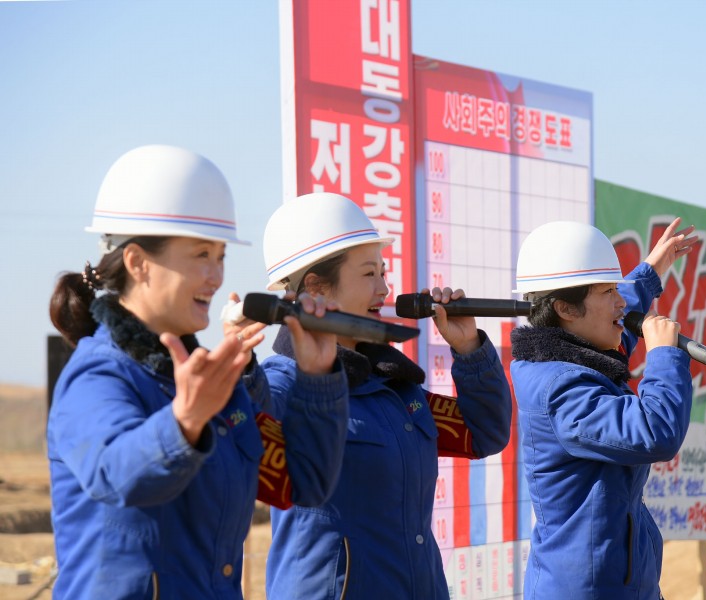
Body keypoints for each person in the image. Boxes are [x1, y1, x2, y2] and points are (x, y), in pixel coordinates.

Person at [47, 145, 349, 600]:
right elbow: (118, 475)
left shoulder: (207, 381)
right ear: (137, 262)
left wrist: (319, 375)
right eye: (200, 255)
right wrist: (183, 424)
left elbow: (301, 483)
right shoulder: (98, 377)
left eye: (221, 256)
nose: (215, 275)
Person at [260, 192, 513, 599]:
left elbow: (483, 433)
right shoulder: (284, 382)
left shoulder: (395, 389)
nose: (385, 288)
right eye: (368, 275)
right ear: (315, 289)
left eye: (382, 272)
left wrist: (469, 349)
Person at [509, 218, 699, 599]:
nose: (620, 301)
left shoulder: (580, 358)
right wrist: (662, 355)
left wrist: (649, 273)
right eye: (608, 290)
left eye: (618, 288)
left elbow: (615, 322)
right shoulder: (560, 388)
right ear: (565, 307)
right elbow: (655, 432)